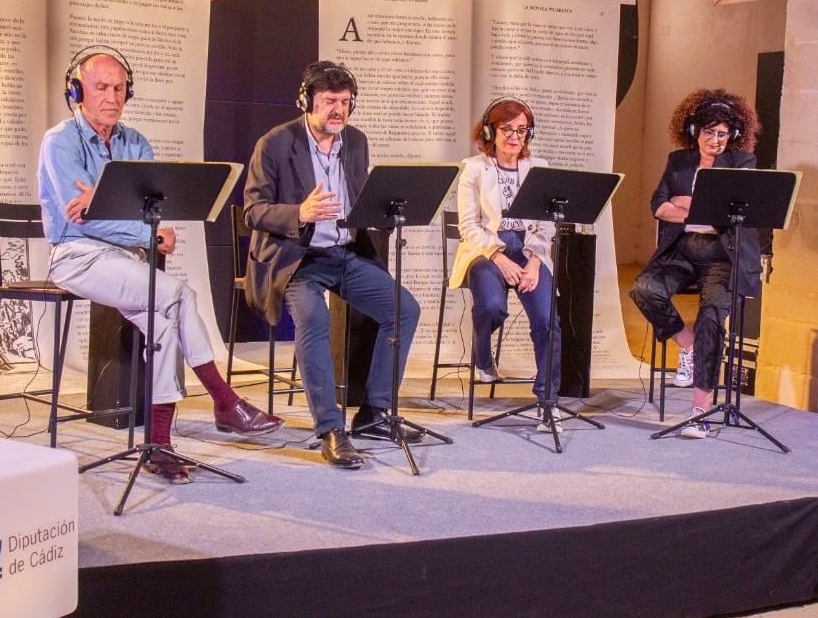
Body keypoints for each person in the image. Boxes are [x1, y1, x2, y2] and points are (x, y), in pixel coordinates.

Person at [38, 46, 281, 483]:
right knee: (177, 295)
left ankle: (160, 445)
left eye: (119, 88)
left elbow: (140, 210)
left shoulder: (136, 143)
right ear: (77, 92)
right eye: (100, 88)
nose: (112, 97)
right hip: (75, 256)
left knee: (164, 320)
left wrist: (115, 211)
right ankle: (224, 401)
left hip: (124, 259)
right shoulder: (60, 141)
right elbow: (85, 219)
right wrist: (144, 232)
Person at [242, 61, 421, 469]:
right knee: (315, 320)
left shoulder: (355, 142)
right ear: (307, 101)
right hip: (295, 260)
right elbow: (254, 211)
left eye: (345, 102)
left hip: (345, 253)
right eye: (329, 102)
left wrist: (381, 207)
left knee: (404, 309)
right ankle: (330, 429)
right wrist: (300, 212)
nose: (338, 111)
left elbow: (357, 198)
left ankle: (374, 414)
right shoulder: (274, 144)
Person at [629, 88, 763, 438]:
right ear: (693, 131)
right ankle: (687, 346)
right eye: (709, 132)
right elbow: (658, 205)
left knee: (710, 319)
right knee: (644, 288)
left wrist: (685, 204)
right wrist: (694, 206)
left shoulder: (742, 164)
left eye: (722, 134)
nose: (715, 140)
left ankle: (700, 410)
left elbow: (727, 215)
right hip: (682, 249)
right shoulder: (679, 161)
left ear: (733, 135)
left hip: (723, 256)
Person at [449, 97, 559, 401]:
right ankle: (482, 356)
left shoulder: (539, 168)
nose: (514, 137)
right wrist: (499, 258)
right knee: (491, 306)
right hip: (485, 251)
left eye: (521, 130)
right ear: (489, 132)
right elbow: (469, 227)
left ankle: (546, 401)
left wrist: (535, 262)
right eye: (507, 129)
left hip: (529, 251)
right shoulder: (472, 169)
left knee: (548, 321)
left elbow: (546, 223)